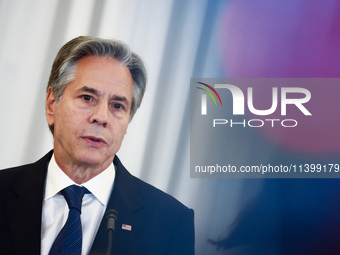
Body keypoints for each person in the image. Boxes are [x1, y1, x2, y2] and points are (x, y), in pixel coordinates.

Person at [0, 36, 195, 255]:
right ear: (52, 104)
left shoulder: (170, 223)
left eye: (118, 105)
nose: (101, 117)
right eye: (87, 97)